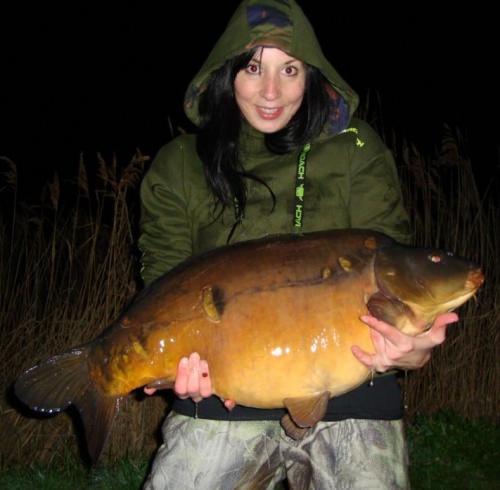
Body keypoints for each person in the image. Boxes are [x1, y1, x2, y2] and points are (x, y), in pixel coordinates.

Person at [138, 1, 458, 488]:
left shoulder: (357, 148)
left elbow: (397, 272)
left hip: (356, 393)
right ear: (225, 73)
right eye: (253, 68)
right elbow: (164, 291)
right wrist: (181, 369)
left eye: (289, 69)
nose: (271, 91)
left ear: (312, 74)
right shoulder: (179, 164)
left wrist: (412, 347)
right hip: (220, 396)